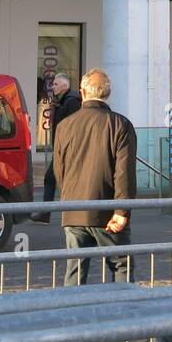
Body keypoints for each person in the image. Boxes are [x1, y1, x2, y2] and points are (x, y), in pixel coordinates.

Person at [53, 68, 137, 286]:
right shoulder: (120, 124)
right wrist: (122, 210)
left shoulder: (64, 126)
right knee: (121, 265)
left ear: (82, 92)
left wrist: (68, 197)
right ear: (107, 93)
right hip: (107, 210)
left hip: (74, 207)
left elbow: (59, 169)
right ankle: (123, 312)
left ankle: (72, 315)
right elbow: (124, 172)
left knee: (75, 269)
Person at [30, 72, 81, 223]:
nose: (53, 87)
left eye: (56, 84)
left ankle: (67, 215)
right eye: (53, 84)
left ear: (65, 86)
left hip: (68, 149)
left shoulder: (71, 102)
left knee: (57, 180)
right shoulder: (63, 101)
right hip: (62, 149)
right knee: (52, 179)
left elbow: (73, 127)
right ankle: (47, 213)